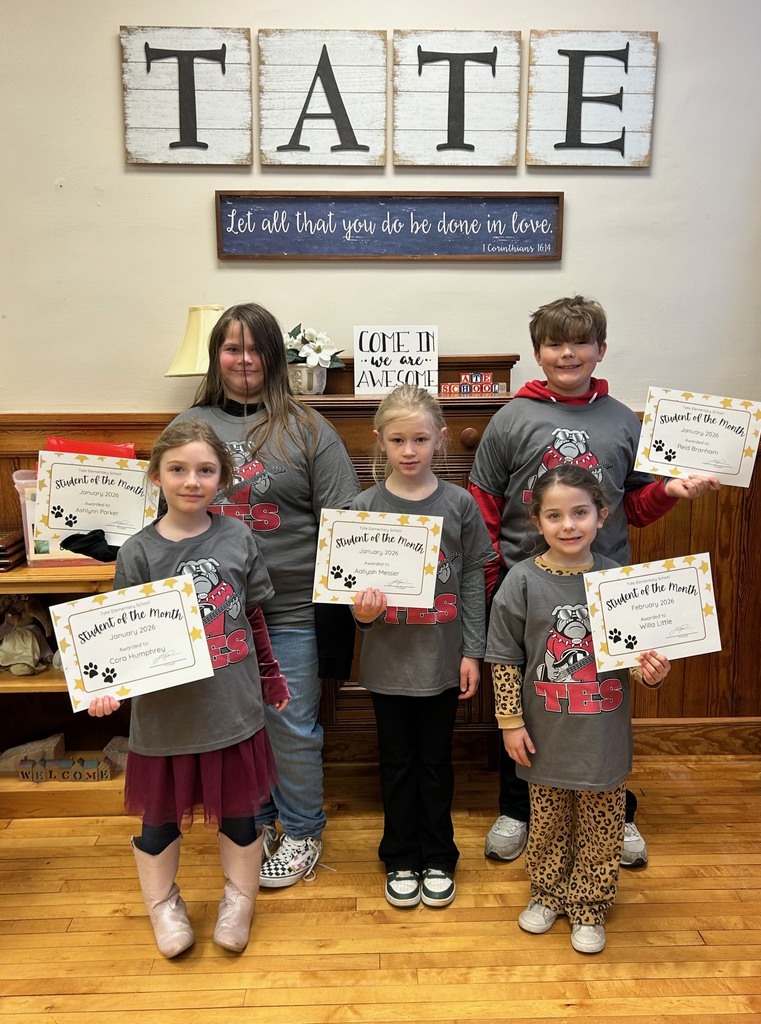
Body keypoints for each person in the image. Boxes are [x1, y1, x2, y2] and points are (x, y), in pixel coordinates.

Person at [469, 294, 719, 868]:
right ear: (538, 353)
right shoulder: (512, 418)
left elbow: (635, 504)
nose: (567, 352)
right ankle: (518, 806)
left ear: (600, 350)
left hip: (606, 591)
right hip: (526, 583)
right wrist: (490, 578)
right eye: (555, 342)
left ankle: (614, 809)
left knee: (601, 702)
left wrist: (671, 493)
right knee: (529, 698)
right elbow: (484, 503)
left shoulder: (622, 420)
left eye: (580, 342)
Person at [168, 303, 360, 889]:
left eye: (256, 349)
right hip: (216, 615)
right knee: (239, 725)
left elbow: (345, 518)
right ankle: (269, 818)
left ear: (276, 357)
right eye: (232, 348)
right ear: (216, 356)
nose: (244, 360)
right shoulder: (190, 427)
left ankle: (303, 830)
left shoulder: (308, 428)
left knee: (290, 723)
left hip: (292, 611)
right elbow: (166, 517)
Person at [88, 419, 290, 956]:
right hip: (165, 716)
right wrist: (108, 690)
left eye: (205, 470)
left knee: (242, 813)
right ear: (157, 476)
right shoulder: (137, 552)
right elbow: (117, 637)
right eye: (178, 469)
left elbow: (253, 616)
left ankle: (239, 899)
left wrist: (271, 678)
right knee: (158, 821)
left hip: (231, 706)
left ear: (222, 478)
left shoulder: (238, 536)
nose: (191, 481)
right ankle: (162, 905)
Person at [486, 465, 671, 953]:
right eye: (554, 515)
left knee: (601, 827)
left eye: (580, 513)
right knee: (545, 824)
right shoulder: (522, 581)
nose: (568, 525)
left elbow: (638, 657)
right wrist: (510, 723)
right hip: (544, 736)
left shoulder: (619, 581)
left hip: (602, 737)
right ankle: (547, 894)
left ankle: (589, 906)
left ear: (602, 516)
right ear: (537, 521)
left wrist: (651, 670)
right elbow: (503, 656)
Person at [351, 385, 496, 909]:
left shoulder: (458, 503)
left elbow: (476, 581)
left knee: (435, 762)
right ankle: (400, 855)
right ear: (380, 442)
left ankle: (439, 855)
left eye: (419, 439)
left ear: (438, 439)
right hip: (387, 662)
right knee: (396, 762)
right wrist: (361, 615)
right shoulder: (362, 508)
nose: (409, 450)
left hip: (443, 659)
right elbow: (351, 594)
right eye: (397, 440)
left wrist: (471, 652)